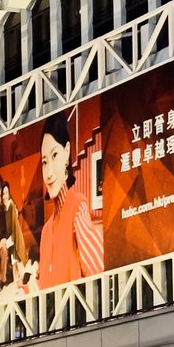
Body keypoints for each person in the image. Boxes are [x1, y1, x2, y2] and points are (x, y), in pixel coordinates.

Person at [36, 110, 104, 288]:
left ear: (67, 153)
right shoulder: (45, 231)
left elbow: (99, 268)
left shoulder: (77, 206)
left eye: (54, 155)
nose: (49, 172)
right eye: (44, 162)